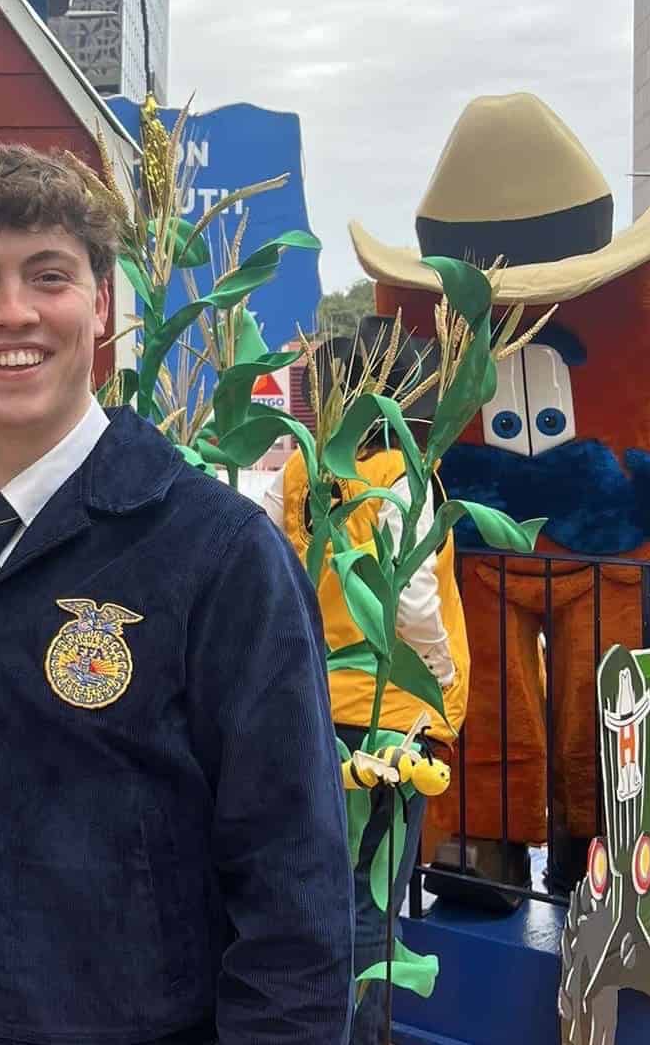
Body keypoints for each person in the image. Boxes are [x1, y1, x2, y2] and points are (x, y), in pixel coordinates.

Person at [0, 144, 352, 1045]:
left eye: (50, 275)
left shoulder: (217, 556)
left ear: (103, 303)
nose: (14, 312)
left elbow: (295, 902)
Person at [260, 318, 469, 1045]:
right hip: (392, 715)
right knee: (374, 898)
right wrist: (442, 674)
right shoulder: (402, 476)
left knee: (325, 885)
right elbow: (410, 604)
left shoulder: (304, 470)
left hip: (323, 706)